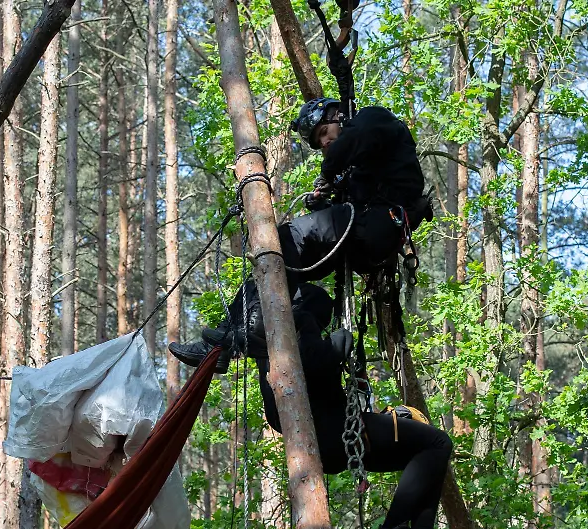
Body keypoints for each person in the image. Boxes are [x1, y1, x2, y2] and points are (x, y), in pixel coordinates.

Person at [169, 98, 431, 372]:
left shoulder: (372, 118)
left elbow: (353, 142)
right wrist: (325, 203)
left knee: (288, 237)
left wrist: (330, 173)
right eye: (318, 142)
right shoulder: (358, 166)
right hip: (362, 234)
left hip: (381, 222)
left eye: (323, 133)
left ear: (336, 115)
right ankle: (224, 342)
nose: (325, 143)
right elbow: (350, 194)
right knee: (276, 264)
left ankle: (257, 327)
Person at [239, 282, 472, 529]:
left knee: (424, 451)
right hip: (336, 433)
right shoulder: (296, 324)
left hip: (331, 441)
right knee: (435, 443)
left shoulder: (264, 346)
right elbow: (317, 363)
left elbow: (291, 397)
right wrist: (336, 342)